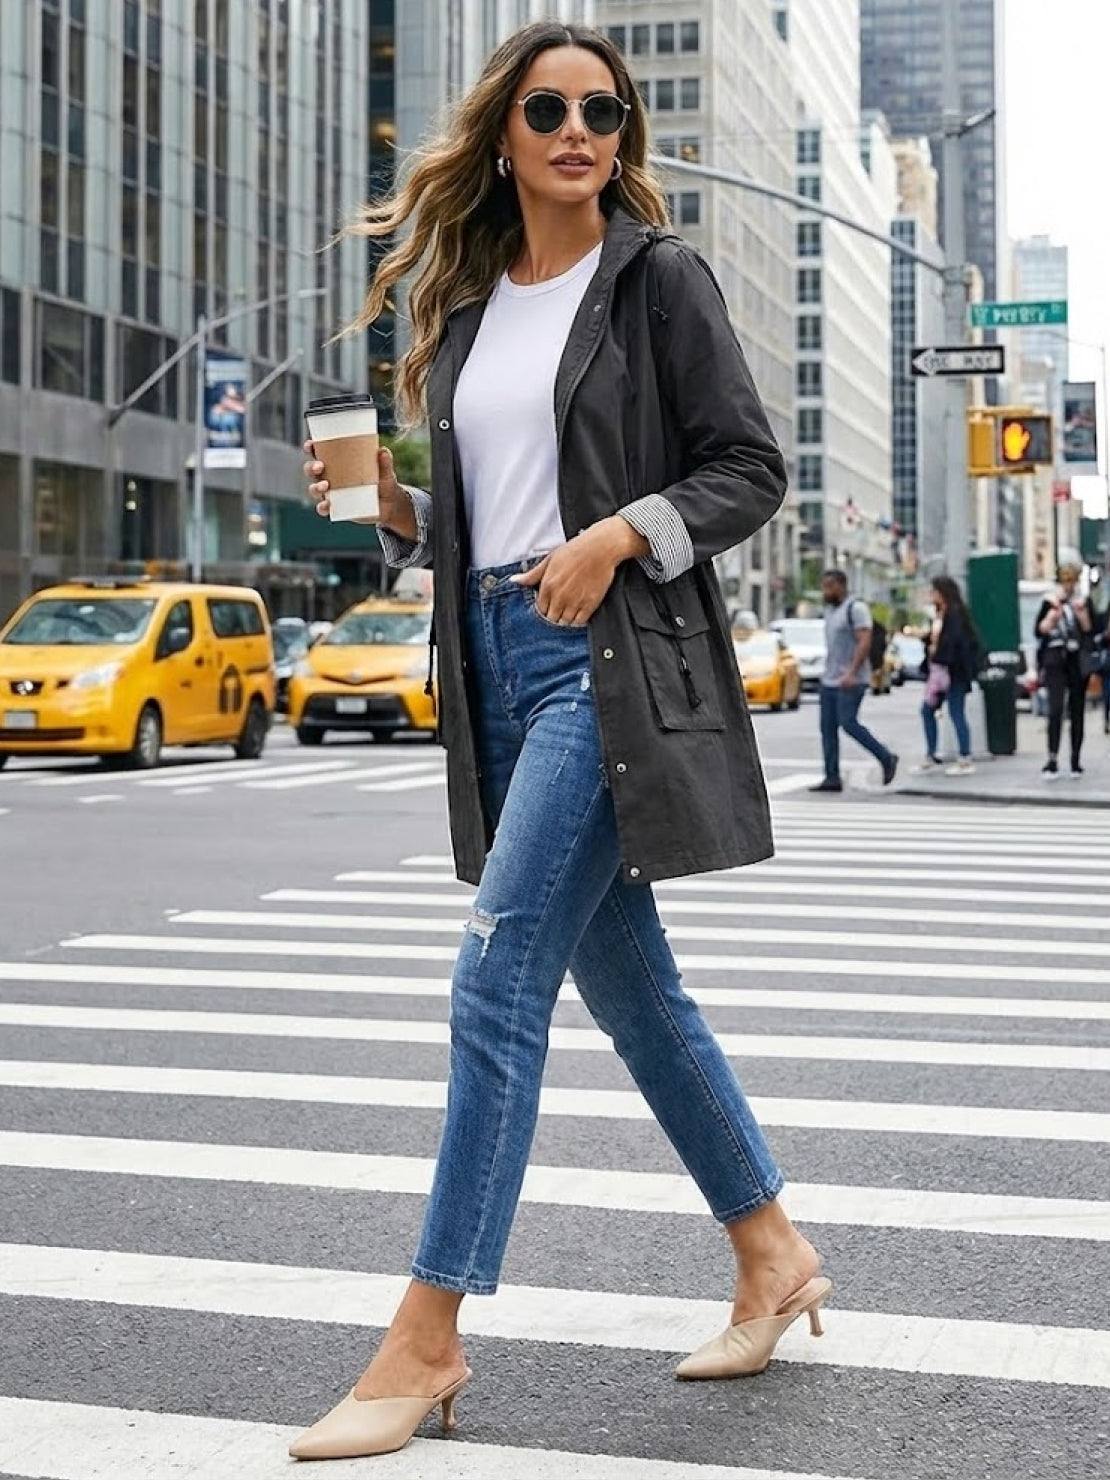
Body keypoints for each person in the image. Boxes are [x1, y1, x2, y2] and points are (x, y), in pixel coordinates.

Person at [293, 21, 829, 1463]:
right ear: (507, 134)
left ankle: (427, 1336)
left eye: (603, 108)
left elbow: (746, 468)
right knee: (635, 997)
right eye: (549, 107)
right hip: (491, 653)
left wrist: (618, 533)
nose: (578, 127)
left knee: (497, 975)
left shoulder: (655, 280)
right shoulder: (469, 312)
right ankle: (773, 1255)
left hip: (604, 664)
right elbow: (490, 524)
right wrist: (397, 513)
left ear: (619, 135)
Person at [809, 569, 898, 794]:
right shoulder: (830, 610)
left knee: (848, 723)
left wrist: (851, 672)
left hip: (852, 679)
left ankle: (886, 757)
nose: (825, 591)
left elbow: (864, 641)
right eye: (824, 586)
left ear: (841, 585)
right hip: (829, 679)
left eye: (829, 586)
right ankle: (831, 777)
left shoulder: (856, 609)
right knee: (827, 729)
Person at [913, 575, 979, 776]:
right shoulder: (941, 615)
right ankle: (931, 754)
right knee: (927, 710)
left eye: (934, 591)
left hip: (952, 671)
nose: (931, 595)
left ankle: (965, 757)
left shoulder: (954, 615)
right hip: (939, 671)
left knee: (956, 712)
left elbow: (955, 643)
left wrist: (938, 651)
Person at [1036, 563, 1094, 779]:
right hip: (1055, 658)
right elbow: (1039, 631)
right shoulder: (1050, 601)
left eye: (1072, 581)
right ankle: (1052, 758)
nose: (1069, 586)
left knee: (1077, 710)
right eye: (1065, 581)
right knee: (1055, 709)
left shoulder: (1082, 602)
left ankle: (1075, 760)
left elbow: (1091, 630)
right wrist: (1052, 617)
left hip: (1076, 660)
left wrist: (1082, 616)